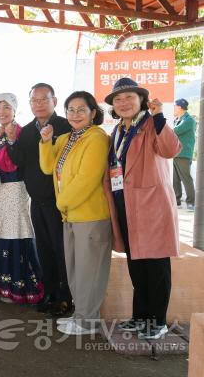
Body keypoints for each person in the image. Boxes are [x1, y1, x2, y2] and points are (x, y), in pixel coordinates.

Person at [104, 77, 181, 340]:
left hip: (151, 206)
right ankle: (140, 317)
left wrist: (160, 118)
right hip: (125, 205)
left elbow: (170, 149)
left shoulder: (151, 123)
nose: (123, 103)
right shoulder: (118, 130)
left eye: (129, 97)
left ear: (141, 100)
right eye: (118, 99)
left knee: (156, 265)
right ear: (113, 106)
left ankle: (157, 321)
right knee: (136, 264)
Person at [39, 91, 112, 335]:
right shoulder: (67, 138)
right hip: (71, 215)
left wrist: (62, 203)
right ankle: (80, 314)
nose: (76, 114)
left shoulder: (97, 138)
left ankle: (87, 320)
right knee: (75, 269)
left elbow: (87, 179)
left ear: (93, 112)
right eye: (71, 109)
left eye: (82, 109)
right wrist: (46, 141)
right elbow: (48, 166)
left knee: (89, 270)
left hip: (90, 216)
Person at [5, 83, 73, 316]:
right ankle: (50, 293)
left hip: (59, 201)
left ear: (54, 100)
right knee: (43, 249)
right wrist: (12, 141)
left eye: (44, 99)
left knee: (61, 250)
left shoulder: (65, 126)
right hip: (36, 201)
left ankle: (66, 298)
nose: (39, 104)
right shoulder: (26, 130)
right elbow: (19, 161)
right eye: (34, 100)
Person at [0, 93, 43, 305]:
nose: (1, 112)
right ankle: (5, 286)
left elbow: (12, 163)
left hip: (16, 189)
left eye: (6, 107)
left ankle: (22, 287)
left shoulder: (19, 131)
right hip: (0, 190)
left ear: (14, 109)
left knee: (17, 233)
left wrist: (10, 139)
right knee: (4, 233)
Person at [172, 98, 196, 211]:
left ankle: (191, 202)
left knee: (186, 178)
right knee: (175, 179)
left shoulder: (189, 120)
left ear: (180, 107)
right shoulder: (177, 119)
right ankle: (176, 201)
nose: (173, 108)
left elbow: (175, 131)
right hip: (175, 154)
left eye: (175, 106)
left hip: (184, 154)